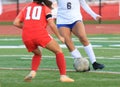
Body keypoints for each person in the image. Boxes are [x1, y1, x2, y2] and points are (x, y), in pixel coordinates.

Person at [13, 0, 74, 82]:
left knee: (37, 53)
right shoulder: (45, 8)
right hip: (40, 34)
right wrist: (60, 37)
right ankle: (63, 76)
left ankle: (32, 72)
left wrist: (29, 27)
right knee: (58, 51)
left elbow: (16, 23)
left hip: (26, 36)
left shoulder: (26, 8)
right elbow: (52, 24)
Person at [50, 0, 104, 70]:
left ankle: (94, 62)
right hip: (62, 20)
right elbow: (49, 3)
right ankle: (81, 62)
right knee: (68, 42)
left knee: (83, 37)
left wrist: (94, 15)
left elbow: (84, 4)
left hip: (76, 19)